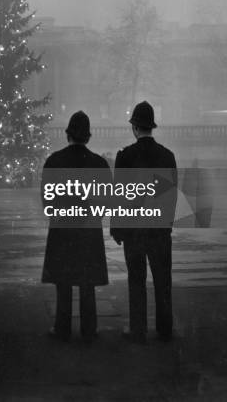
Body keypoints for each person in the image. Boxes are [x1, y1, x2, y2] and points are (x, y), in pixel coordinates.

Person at [41, 111, 112, 344]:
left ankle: (62, 328)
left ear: (67, 134)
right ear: (88, 137)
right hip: (88, 231)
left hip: (63, 230)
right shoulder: (99, 164)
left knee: (63, 283)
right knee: (87, 283)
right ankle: (89, 329)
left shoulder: (54, 161)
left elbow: (47, 200)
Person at [110, 101, 177, 343]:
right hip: (158, 230)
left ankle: (138, 328)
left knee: (136, 280)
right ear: (152, 127)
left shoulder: (126, 157)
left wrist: (117, 229)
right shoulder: (167, 156)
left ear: (135, 127)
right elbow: (170, 197)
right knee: (163, 280)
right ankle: (165, 327)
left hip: (134, 230)